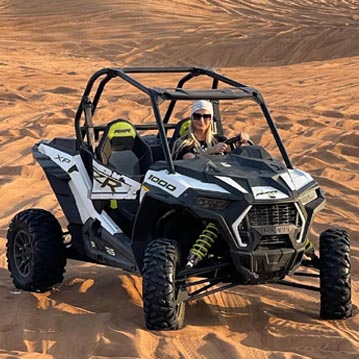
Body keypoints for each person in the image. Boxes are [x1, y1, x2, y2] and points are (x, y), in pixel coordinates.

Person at [172, 100, 249, 160]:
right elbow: (190, 160)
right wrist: (211, 150)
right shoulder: (183, 143)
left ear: (211, 119)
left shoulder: (218, 139)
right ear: (192, 118)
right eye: (197, 116)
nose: (201, 120)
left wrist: (240, 142)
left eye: (206, 116)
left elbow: (229, 149)